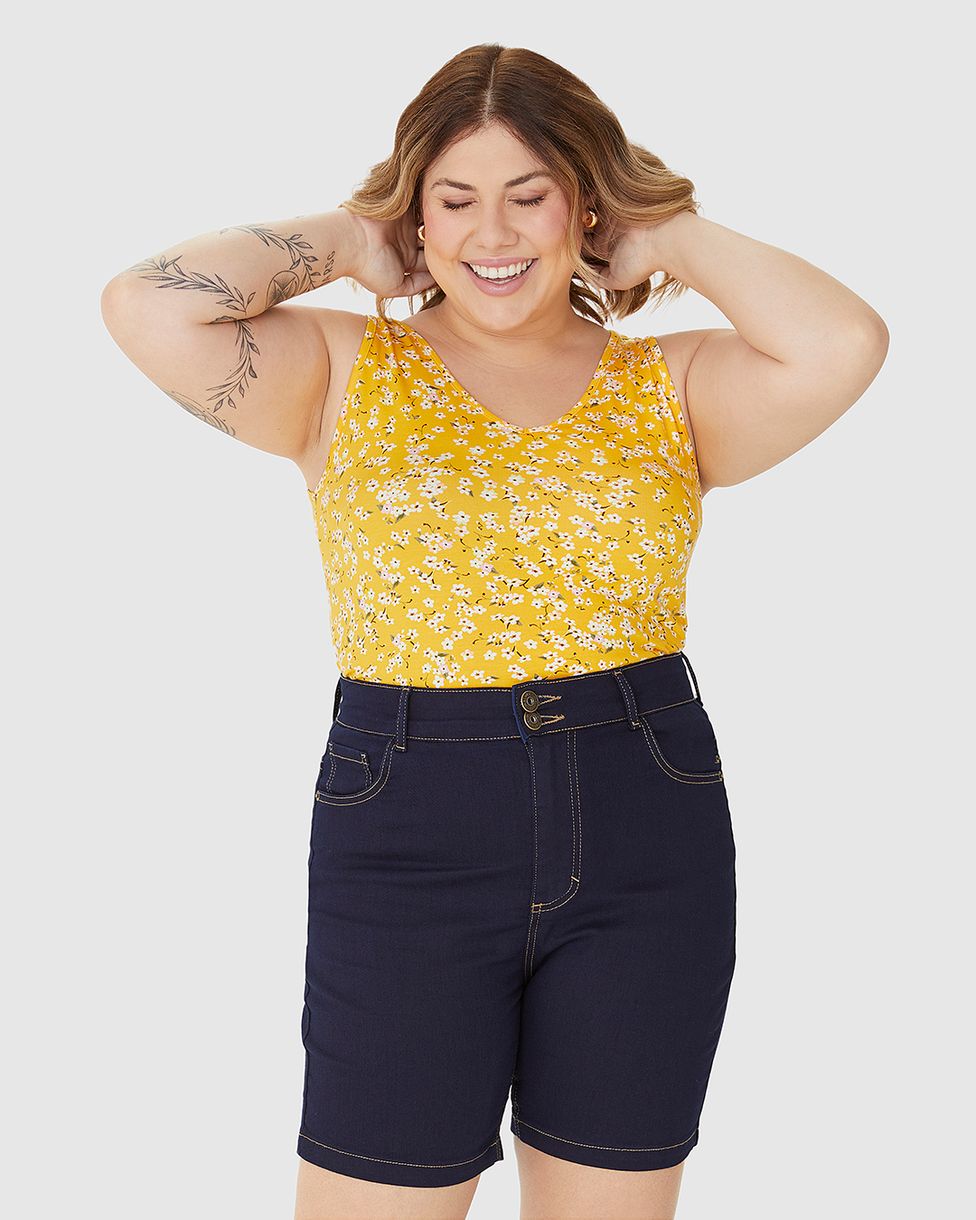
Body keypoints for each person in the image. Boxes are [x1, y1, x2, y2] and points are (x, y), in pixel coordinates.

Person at [100, 41, 888, 1220]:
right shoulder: (336, 368)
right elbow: (147, 303)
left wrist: (667, 233)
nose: (493, 231)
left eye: (531, 194)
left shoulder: (670, 385)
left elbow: (843, 343)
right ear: (416, 216)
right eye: (455, 199)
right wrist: (350, 236)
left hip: (644, 814)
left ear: (585, 204)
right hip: (410, 821)